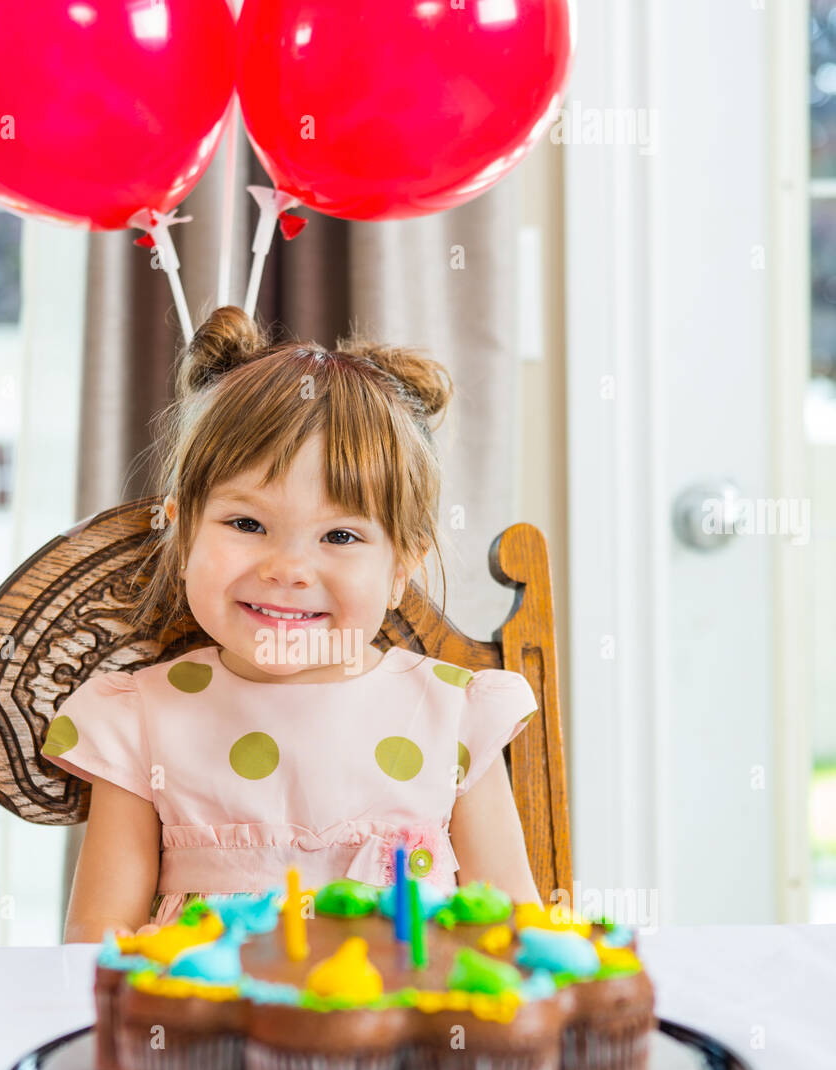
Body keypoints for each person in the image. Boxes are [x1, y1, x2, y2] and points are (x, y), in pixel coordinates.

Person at [42, 306, 542, 943]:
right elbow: (99, 937)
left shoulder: (455, 715)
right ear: (183, 528)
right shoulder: (141, 720)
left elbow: (516, 930)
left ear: (401, 568)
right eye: (247, 525)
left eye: (340, 534)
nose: (288, 569)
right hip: (210, 1033)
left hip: (409, 1033)